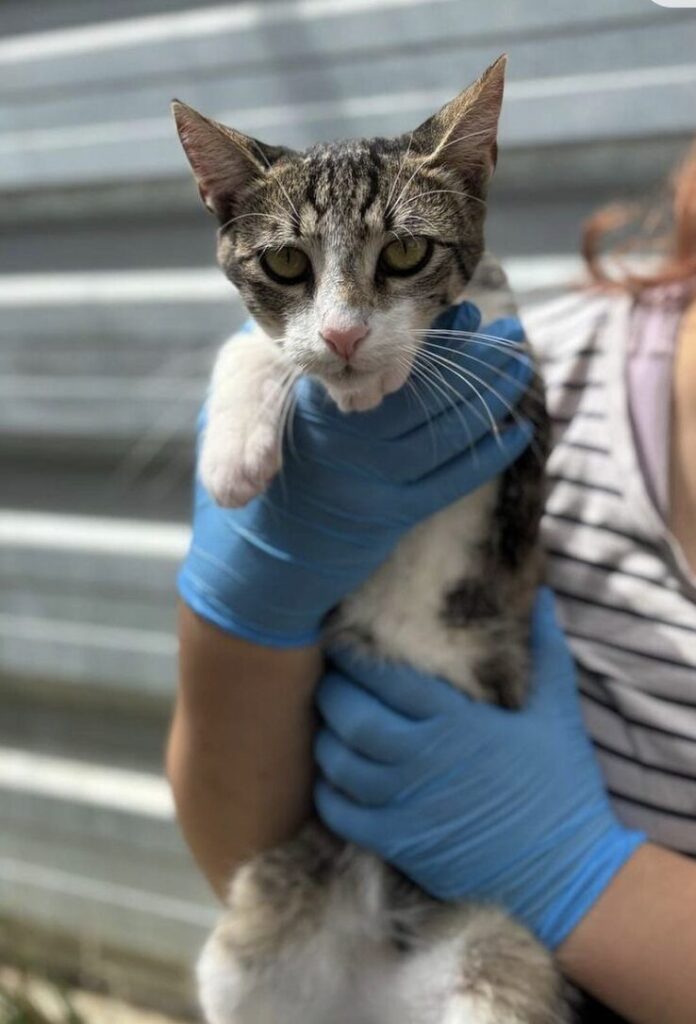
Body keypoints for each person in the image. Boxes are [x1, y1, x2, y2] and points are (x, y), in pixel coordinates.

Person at [167, 146, 696, 1024]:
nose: (340, 326)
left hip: (492, 968)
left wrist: (580, 876)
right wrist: (243, 605)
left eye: (401, 259)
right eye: (291, 265)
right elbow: (234, 842)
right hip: (338, 917)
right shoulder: (528, 358)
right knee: (244, 976)